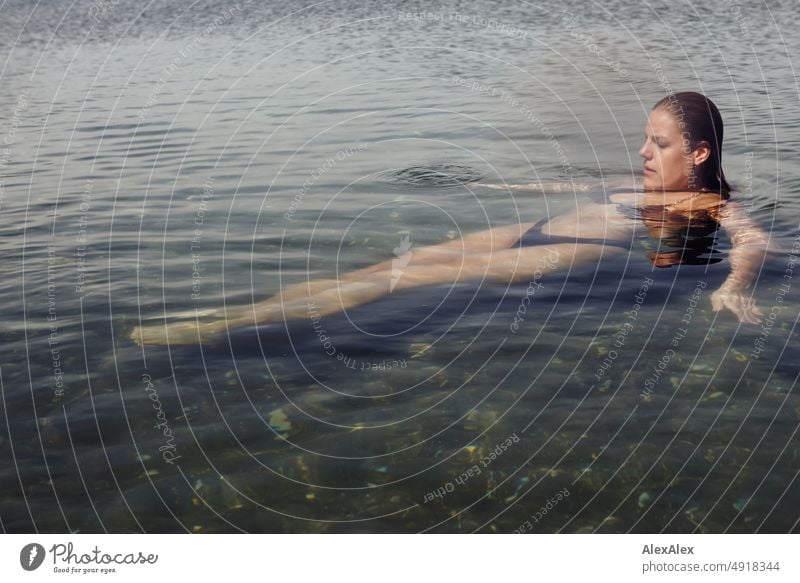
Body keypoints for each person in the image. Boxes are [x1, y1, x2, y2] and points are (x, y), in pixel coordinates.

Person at [132, 92, 771, 346]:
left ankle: (221, 327)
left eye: (657, 144)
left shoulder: (712, 204)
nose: (642, 152)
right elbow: (566, 184)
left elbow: (752, 240)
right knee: (400, 262)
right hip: (548, 226)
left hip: (580, 248)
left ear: (700, 154)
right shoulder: (633, 184)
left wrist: (732, 288)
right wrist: (492, 183)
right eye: (644, 139)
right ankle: (234, 316)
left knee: (403, 280)